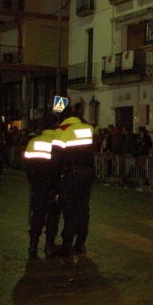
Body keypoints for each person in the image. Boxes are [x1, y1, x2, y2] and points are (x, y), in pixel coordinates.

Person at [53, 103, 96, 257]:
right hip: (88, 171)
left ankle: (67, 245)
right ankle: (80, 244)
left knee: (70, 208)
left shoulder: (62, 130)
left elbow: (56, 156)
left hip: (72, 173)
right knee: (83, 208)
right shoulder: (88, 127)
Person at [23, 115, 61, 257]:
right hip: (54, 184)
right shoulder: (58, 143)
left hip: (38, 183)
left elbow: (27, 164)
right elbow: (61, 166)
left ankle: (33, 244)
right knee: (53, 214)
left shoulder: (33, 142)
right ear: (56, 125)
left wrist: (33, 180)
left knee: (37, 214)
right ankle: (49, 244)